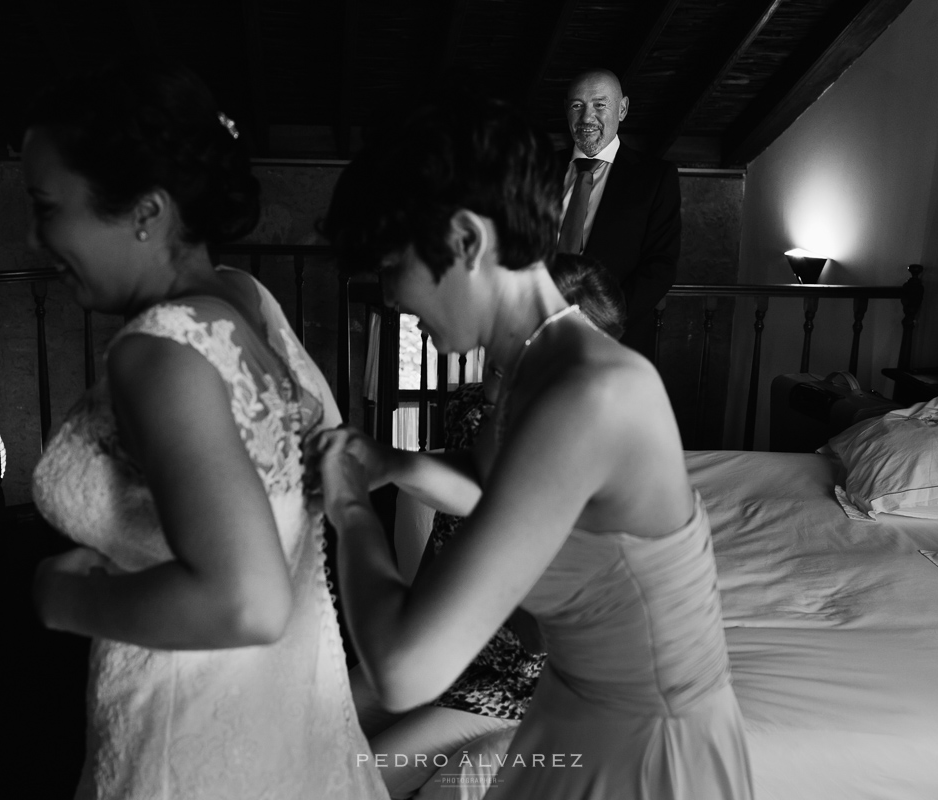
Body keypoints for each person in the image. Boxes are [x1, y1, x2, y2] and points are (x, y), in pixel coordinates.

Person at [314, 92, 752, 799]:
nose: (391, 300)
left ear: (465, 241)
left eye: (394, 268)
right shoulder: (534, 367)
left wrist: (348, 508)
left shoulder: (589, 393)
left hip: (640, 754)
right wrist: (389, 462)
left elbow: (403, 669)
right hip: (571, 714)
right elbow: (494, 492)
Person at [24, 62, 386, 800]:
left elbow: (244, 601)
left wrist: (67, 600)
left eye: (46, 206)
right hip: (283, 723)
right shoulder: (245, 301)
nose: (37, 239)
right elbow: (325, 449)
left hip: (180, 739)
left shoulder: (158, 351)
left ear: (146, 213)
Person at [353, 254, 626, 798]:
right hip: (452, 650)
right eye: (500, 365)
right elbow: (445, 543)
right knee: (312, 710)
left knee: (350, 775)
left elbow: (540, 633)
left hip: (526, 686)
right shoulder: (475, 412)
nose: (497, 385)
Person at [557, 68, 681, 360]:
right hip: (538, 337)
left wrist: (602, 318)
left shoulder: (655, 177)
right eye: (577, 105)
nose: (587, 117)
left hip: (617, 341)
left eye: (600, 104)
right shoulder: (537, 168)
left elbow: (660, 266)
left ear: (622, 109)